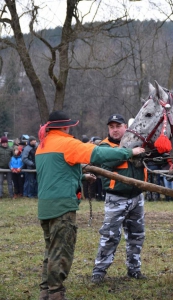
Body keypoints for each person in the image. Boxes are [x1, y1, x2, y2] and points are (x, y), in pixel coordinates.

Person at [36, 111, 145, 300]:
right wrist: (130, 152)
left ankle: (46, 291)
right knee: (61, 251)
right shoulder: (67, 143)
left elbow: (56, 173)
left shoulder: (43, 146)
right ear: (65, 126)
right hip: (62, 206)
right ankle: (56, 294)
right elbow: (98, 153)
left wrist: (81, 176)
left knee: (51, 249)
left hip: (45, 206)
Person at [91, 114, 146, 284]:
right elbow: (107, 160)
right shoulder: (103, 147)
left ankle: (134, 269)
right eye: (111, 127)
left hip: (137, 197)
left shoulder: (137, 144)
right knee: (110, 236)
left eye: (118, 126)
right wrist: (129, 153)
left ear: (125, 128)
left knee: (137, 235)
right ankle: (99, 272)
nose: (115, 130)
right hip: (116, 198)